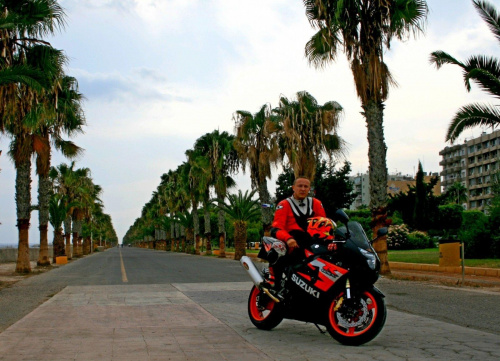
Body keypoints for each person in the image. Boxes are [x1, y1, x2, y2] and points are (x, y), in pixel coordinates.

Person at [265, 176, 327, 299]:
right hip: (291, 241)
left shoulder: (316, 203)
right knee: (281, 250)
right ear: (293, 188)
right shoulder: (284, 204)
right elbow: (276, 228)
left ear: (309, 189)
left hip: (311, 241)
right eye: (300, 186)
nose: (303, 189)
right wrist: (288, 239)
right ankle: (276, 286)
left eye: (306, 186)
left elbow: (324, 224)